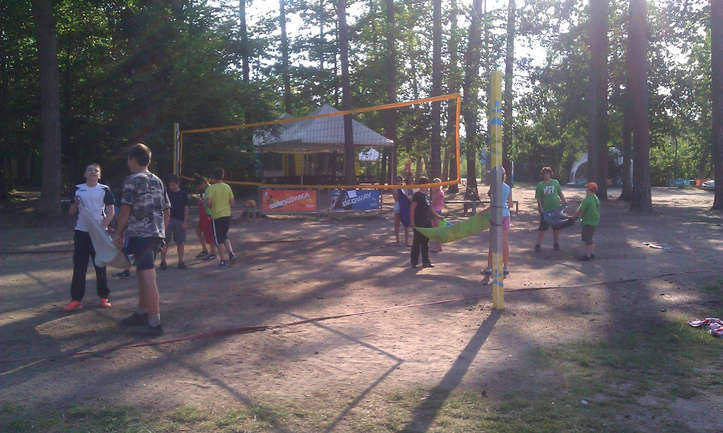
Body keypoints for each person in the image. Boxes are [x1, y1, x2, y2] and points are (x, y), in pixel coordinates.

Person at [114, 143, 170, 336]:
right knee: (141, 272)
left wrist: (118, 233)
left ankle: (154, 322)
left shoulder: (132, 180)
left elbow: (125, 209)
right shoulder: (158, 180)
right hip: (155, 234)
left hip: (140, 235)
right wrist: (162, 232)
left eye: (128, 159)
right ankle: (142, 312)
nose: (127, 163)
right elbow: (167, 209)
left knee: (147, 276)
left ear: (133, 159)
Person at [63, 163, 115, 312]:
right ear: (85, 174)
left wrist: (102, 228)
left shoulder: (104, 190)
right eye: (90, 170)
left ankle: (104, 297)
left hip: (98, 233)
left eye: (96, 171)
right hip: (81, 233)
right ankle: (76, 299)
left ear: (100, 175)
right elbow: (71, 212)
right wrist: (75, 204)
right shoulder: (78, 189)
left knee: (100, 266)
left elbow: (111, 212)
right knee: (80, 267)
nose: (93, 172)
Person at [482, 167, 513, 276]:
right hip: (505, 215)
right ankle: (506, 267)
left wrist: (484, 211)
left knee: (493, 242)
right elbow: (510, 204)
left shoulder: (493, 187)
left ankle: (490, 267)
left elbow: (493, 203)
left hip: (496, 215)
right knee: (504, 242)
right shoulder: (508, 187)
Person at [205, 167, 236, 267]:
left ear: (213, 177)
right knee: (224, 235)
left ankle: (222, 260)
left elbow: (209, 203)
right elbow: (232, 202)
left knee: (218, 239)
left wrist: (210, 205)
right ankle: (231, 253)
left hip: (217, 216)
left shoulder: (211, 188)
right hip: (227, 215)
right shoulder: (227, 187)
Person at [160, 175, 189, 270]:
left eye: (173, 185)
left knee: (180, 242)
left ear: (178, 184)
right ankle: (163, 262)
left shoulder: (183, 194)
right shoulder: (167, 193)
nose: (171, 187)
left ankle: (181, 262)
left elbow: (186, 208)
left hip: (180, 220)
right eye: (170, 185)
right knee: (165, 242)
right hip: (168, 220)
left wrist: (185, 221)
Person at [534, 166, 566, 251]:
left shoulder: (555, 182)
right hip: (545, 210)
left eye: (547, 173)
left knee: (556, 228)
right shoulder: (540, 185)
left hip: (555, 209)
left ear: (550, 174)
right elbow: (538, 198)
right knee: (542, 228)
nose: (546, 175)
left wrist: (564, 201)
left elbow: (560, 193)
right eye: (544, 174)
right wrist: (540, 208)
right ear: (542, 175)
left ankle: (556, 243)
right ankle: (538, 244)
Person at [409, 177, 438, 268]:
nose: (427, 186)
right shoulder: (417, 195)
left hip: (427, 222)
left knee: (425, 242)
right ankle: (414, 262)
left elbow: (430, 208)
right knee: (417, 242)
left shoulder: (426, 195)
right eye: (426, 184)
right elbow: (412, 208)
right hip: (419, 222)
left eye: (428, 184)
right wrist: (412, 222)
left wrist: (437, 216)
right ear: (421, 185)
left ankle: (426, 262)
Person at [571, 182, 600, 261]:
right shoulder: (595, 198)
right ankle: (591, 253)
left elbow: (580, 210)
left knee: (588, 239)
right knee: (590, 237)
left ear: (589, 190)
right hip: (594, 221)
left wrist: (573, 217)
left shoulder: (587, 199)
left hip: (588, 222)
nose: (585, 190)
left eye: (587, 189)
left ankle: (588, 255)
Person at [195, 176, 217, 261]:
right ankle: (205, 250)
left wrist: (202, 201)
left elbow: (210, 202)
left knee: (209, 233)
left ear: (204, 183)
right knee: (198, 231)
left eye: (200, 185)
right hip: (204, 214)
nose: (200, 187)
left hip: (209, 214)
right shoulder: (207, 190)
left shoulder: (210, 189)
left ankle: (213, 253)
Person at [392, 175, 410, 246]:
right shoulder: (394, 188)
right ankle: (397, 241)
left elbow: (407, 197)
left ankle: (406, 242)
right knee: (397, 224)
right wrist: (397, 190)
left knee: (406, 224)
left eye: (399, 181)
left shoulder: (404, 188)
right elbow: (396, 198)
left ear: (402, 181)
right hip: (398, 206)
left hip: (404, 207)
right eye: (397, 181)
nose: (398, 182)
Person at [430, 178, 445, 253]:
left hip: (437, 211)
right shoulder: (436, 192)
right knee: (436, 229)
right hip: (435, 210)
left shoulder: (439, 192)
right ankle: (439, 246)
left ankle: (437, 247)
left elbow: (434, 202)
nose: (436, 185)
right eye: (435, 183)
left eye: (438, 183)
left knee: (437, 230)